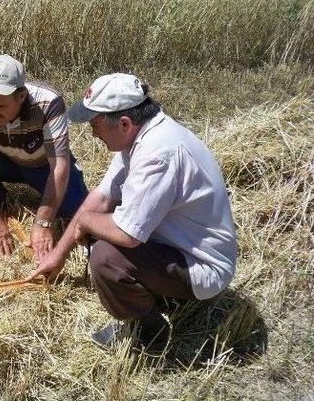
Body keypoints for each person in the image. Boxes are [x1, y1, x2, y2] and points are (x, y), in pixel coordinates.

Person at [26, 73, 237, 347]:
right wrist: (58, 254)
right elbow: (100, 200)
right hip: (175, 246)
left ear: (124, 123)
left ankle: (149, 331)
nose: (93, 133)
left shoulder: (158, 154)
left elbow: (128, 235)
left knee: (106, 256)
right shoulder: (137, 138)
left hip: (202, 266)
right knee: (97, 229)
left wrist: (87, 223)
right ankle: (157, 293)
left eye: (95, 125)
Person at [0, 55, 89, 261]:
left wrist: (43, 223)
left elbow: (59, 166)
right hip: (3, 162)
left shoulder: (48, 103)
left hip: (42, 166)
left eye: (0, 105)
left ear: (21, 96)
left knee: (78, 211)